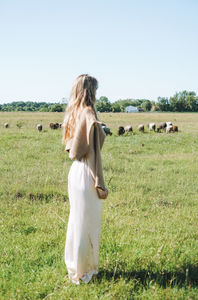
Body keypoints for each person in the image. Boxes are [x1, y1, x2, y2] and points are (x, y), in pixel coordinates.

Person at [62, 74, 108, 285]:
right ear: (90, 91)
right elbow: (94, 154)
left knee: (77, 221)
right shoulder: (89, 112)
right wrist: (100, 181)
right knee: (86, 223)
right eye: (95, 90)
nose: (97, 94)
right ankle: (82, 271)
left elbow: (71, 147)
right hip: (86, 172)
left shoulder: (74, 112)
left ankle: (75, 266)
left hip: (75, 171)